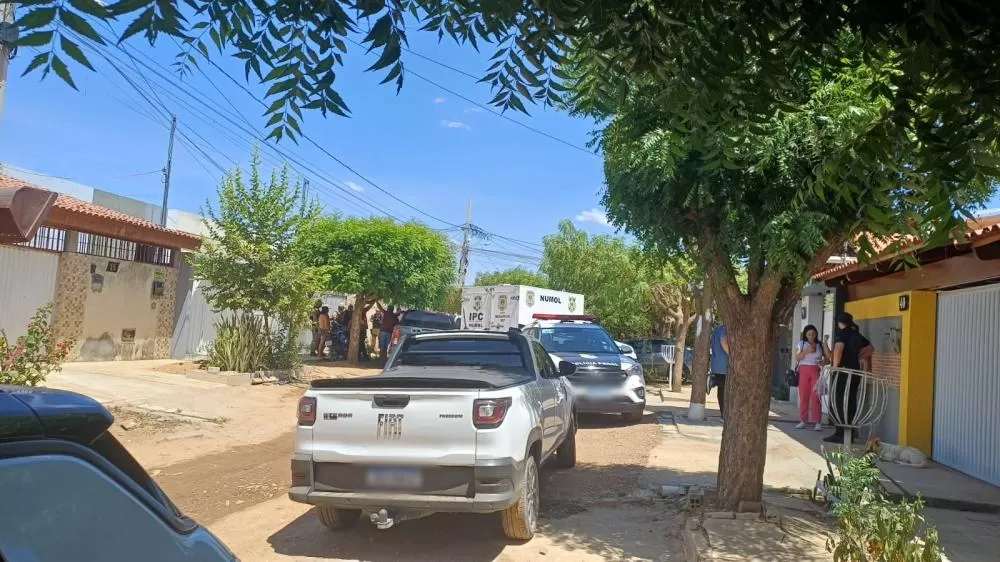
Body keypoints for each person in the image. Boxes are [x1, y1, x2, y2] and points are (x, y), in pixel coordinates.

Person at [824, 312, 875, 443]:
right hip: (855, 372)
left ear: (839, 322)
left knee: (840, 402)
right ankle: (850, 434)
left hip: (843, 371)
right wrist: (857, 356)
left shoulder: (842, 333)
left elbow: (838, 349)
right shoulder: (856, 334)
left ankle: (840, 433)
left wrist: (835, 367)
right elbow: (870, 348)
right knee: (851, 401)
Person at [795, 324, 828, 431]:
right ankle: (803, 420)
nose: (811, 336)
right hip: (803, 370)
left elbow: (828, 359)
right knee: (804, 396)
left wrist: (822, 362)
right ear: (805, 335)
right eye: (809, 334)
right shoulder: (801, 343)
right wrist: (807, 351)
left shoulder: (819, 345)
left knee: (816, 396)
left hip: (815, 370)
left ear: (816, 334)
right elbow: (797, 357)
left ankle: (817, 421)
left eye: (813, 334)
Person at [709, 323, 729, 422]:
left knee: (721, 390)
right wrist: (732, 354)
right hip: (724, 364)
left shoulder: (717, 328)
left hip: (716, 363)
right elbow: (723, 341)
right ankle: (724, 415)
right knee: (725, 389)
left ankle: (723, 414)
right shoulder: (724, 328)